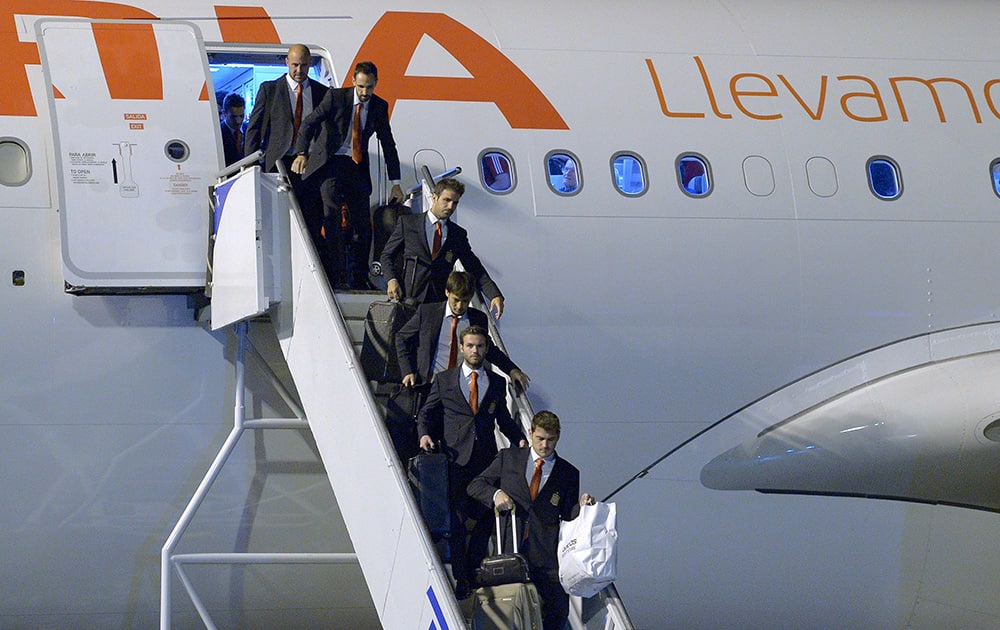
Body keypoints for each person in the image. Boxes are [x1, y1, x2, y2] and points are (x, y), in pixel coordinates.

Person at [416, 325, 527, 598]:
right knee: (456, 518)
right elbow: (426, 413)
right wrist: (424, 435)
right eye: (470, 346)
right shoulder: (444, 380)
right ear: (462, 347)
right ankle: (462, 577)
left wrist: (521, 440)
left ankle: (475, 570)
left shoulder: (496, 382)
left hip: (486, 461)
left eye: (480, 346)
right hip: (455, 459)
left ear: (486, 349)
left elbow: (502, 418)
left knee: (485, 518)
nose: (475, 350)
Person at [468, 410, 595, 630]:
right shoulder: (509, 458)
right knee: (510, 609)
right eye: (540, 439)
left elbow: (567, 514)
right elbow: (475, 486)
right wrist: (496, 495)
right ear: (530, 433)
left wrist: (582, 508)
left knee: (557, 610)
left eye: (551, 440)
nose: (545, 445)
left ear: (558, 437)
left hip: (546, 555)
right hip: (510, 549)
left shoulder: (568, 473)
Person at [292, 61, 404, 289]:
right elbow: (308, 124)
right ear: (353, 81)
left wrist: (396, 183)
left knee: (363, 224)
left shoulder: (379, 106)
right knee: (331, 217)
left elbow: (389, 145)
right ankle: (337, 277)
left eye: (369, 87)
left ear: (376, 84)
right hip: (330, 163)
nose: (364, 93)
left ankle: (359, 277)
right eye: (361, 87)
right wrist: (302, 153)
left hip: (356, 165)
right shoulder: (335, 98)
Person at [244, 44, 329, 258]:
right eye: (295, 65)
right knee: (276, 218)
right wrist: (249, 166)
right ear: (286, 63)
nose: (299, 70)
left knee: (311, 218)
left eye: (303, 65)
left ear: (310, 64)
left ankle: (309, 260)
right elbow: (254, 129)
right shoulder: (270, 89)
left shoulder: (322, 93)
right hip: (277, 163)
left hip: (309, 166)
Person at [380, 178, 504, 316]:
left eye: (455, 203)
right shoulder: (408, 223)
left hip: (437, 303)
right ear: (434, 197)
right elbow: (386, 255)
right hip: (408, 299)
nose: (450, 206)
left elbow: (474, 266)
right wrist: (391, 280)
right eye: (446, 200)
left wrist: (494, 294)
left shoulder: (457, 234)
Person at [396, 271, 529, 392]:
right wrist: (408, 370)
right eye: (456, 300)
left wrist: (511, 369)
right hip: (429, 385)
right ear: (447, 292)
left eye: (465, 301)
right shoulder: (427, 312)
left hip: (460, 388)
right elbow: (401, 338)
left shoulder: (478, 318)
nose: (459, 306)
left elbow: (489, 349)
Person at [220, 93, 246, 166]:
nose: (238, 121)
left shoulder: (249, 130)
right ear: (224, 114)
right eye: (233, 117)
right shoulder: (218, 134)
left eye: (241, 116)